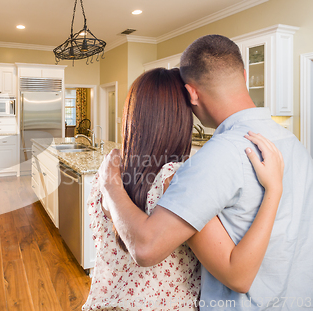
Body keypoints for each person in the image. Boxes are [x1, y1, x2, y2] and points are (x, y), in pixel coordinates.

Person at [98, 35, 313, 310]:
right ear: (244, 76)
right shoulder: (293, 144)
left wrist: (110, 185)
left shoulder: (215, 158)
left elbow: (146, 247)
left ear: (191, 94)